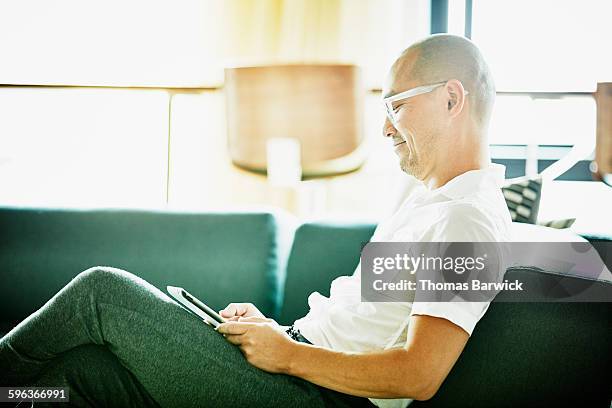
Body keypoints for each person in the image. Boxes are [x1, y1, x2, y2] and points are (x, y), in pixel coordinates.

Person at [0, 34, 511, 408]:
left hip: (316, 398)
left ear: (450, 99)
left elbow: (419, 374)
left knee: (102, 293)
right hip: (300, 373)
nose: (385, 127)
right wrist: (277, 334)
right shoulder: (432, 203)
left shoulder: (467, 220)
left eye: (397, 106)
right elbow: (367, 329)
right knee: (78, 377)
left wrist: (286, 355)